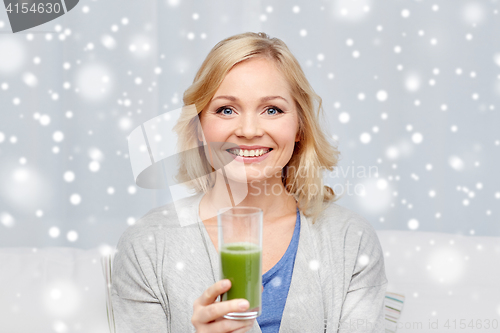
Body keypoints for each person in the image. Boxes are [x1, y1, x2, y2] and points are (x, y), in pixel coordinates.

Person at [111, 32, 388, 333]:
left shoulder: (351, 239)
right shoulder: (146, 245)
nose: (248, 129)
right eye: (226, 110)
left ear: (299, 127)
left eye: (272, 110)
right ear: (199, 128)